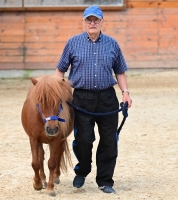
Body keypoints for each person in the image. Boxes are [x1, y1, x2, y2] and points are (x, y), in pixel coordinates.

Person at [54, 5, 132, 194]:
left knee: (109, 140)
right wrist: (58, 92)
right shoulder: (73, 43)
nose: (92, 23)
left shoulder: (112, 44)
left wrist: (125, 92)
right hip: (81, 98)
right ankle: (82, 171)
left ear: (102, 22)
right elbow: (60, 70)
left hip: (107, 98)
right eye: (89, 20)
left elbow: (120, 71)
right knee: (83, 139)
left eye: (96, 20)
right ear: (83, 22)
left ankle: (105, 181)